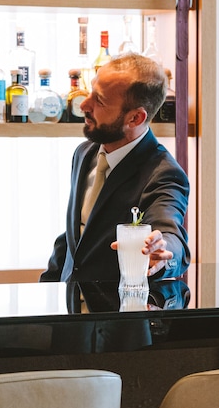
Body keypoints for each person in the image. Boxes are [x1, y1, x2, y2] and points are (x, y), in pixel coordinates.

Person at [40, 53, 189, 284]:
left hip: (119, 305)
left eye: (99, 101)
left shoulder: (165, 173)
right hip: (70, 302)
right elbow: (73, 237)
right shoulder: (83, 153)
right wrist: (48, 289)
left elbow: (169, 234)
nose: (84, 105)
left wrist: (163, 252)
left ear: (135, 118)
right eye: (91, 91)